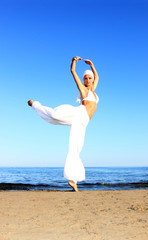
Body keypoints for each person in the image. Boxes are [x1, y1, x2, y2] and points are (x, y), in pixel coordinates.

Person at [28, 56, 99, 192]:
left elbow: (97, 76)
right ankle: (35, 105)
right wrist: (74, 62)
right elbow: (72, 71)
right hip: (79, 114)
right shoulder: (84, 90)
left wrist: (92, 65)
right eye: (85, 78)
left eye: (89, 78)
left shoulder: (94, 91)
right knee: (55, 115)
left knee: (76, 148)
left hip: (84, 122)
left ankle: (73, 180)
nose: (88, 80)